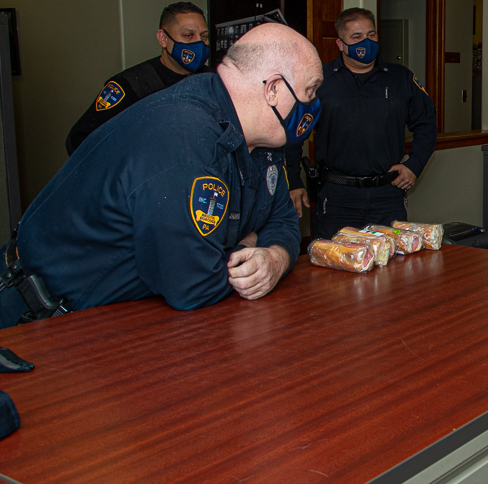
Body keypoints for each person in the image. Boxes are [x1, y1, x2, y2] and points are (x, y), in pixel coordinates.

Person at [1, 24, 320, 328]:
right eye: (310, 90)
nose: (314, 104)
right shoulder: (182, 137)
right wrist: (243, 249)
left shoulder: (265, 141)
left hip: (124, 322)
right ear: (275, 89)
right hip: (35, 319)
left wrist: (274, 257)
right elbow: (192, 283)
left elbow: (283, 222)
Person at [285, 7, 436, 239]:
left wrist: (414, 165)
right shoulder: (320, 81)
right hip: (337, 197)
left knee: (392, 268)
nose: (366, 42)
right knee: (334, 266)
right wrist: (293, 180)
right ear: (340, 43)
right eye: (356, 37)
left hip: (387, 195)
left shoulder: (400, 78)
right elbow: (293, 135)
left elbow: (427, 123)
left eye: (371, 35)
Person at [66, 1, 210, 155]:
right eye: (188, 36)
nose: (199, 43)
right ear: (163, 38)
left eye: (204, 36)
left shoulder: (214, 79)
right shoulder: (132, 84)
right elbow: (80, 139)